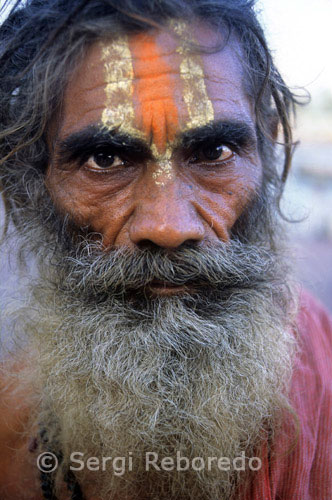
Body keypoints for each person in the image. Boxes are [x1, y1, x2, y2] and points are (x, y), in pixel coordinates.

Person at [0, 0, 331, 499]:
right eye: (105, 157)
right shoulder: (8, 431)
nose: (168, 226)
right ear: (36, 182)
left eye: (213, 152)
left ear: (263, 155)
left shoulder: (321, 367)